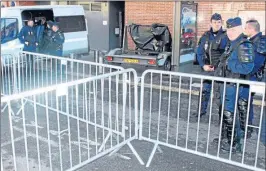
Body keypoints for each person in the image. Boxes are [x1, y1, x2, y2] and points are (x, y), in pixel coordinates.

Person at [213, 17, 255, 152]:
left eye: (233, 30)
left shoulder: (244, 45)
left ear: (240, 29)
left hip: (234, 85)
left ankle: (234, 144)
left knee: (230, 114)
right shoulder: (232, 43)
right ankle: (225, 138)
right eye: (229, 30)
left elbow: (247, 68)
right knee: (225, 113)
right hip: (225, 84)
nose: (230, 33)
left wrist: (230, 65)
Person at [194, 13, 229, 118]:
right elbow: (199, 52)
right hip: (207, 68)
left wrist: (220, 66)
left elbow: (227, 53)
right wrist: (203, 65)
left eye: (219, 22)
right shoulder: (205, 36)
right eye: (215, 22)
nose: (217, 24)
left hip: (220, 69)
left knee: (219, 94)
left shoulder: (226, 36)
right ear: (211, 23)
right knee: (204, 91)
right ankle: (201, 111)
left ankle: (221, 116)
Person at [242, 19, 266, 145]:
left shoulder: (261, 42)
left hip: (253, 77)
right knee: (245, 102)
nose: (244, 30)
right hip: (250, 77)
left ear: (251, 29)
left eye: (246, 28)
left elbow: (256, 63)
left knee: (246, 102)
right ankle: (245, 126)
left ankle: (247, 128)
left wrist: (244, 72)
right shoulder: (252, 41)